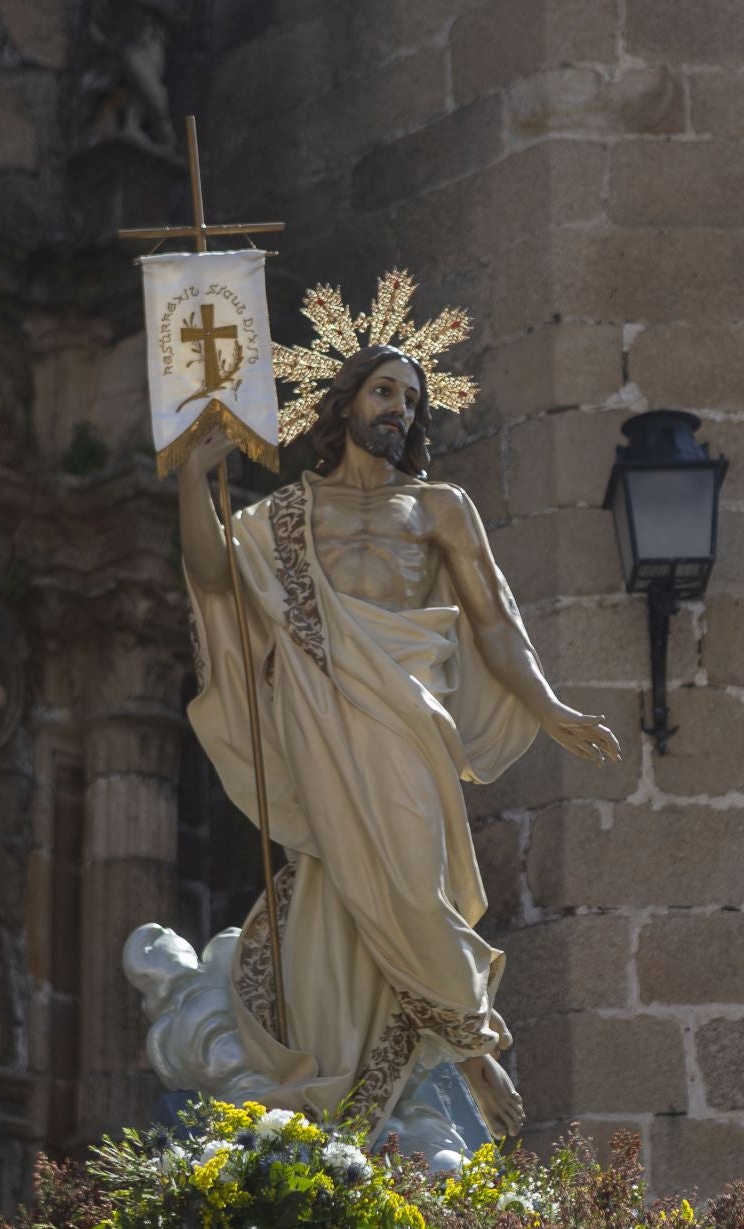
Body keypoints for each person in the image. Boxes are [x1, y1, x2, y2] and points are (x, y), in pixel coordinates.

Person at [178, 342, 620, 1143]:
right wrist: (190, 478)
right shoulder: (284, 516)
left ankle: (468, 1038)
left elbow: (497, 625)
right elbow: (213, 579)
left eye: (411, 401)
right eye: (384, 393)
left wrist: (548, 705)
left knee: (416, 882)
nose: (399, 411)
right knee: (339, 884)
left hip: (408, 718)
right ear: (347, 400)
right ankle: (437, 1056)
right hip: (317, 714)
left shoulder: (440, 508)